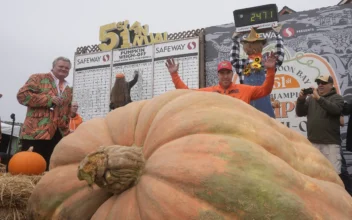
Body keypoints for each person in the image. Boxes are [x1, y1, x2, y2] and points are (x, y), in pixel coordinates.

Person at [17, 56, 73, 170]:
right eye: (61, 66)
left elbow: (66, 112)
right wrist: (48, 100)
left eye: (67, 68)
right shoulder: (37, 78)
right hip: (36, 132)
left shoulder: (68, 89)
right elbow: (22, 96)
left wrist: (67, 131)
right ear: (53, 67)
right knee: (28, 167)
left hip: (58, 134)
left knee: (50, 168)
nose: (64, 69)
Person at [166, 53, 277, 104]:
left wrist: (270, 70)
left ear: (232, 74)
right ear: (218, 75)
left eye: (227, 73)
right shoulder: (209, 92)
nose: (225, 76)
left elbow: (265, 90)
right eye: (222, 73)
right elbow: (187, 93)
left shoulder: (245, 90)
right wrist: (174, 75)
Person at [230, 26, 285, 118]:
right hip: (248, 110)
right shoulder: (243, 64)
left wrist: (278, 35)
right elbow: (233, 58)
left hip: (265, 110)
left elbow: (279, 57)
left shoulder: (266, 62)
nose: (250, 47)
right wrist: (235, 40)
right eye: (249, 44)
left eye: (254, 43)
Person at [296, 74, 344, 175]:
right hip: (313, 143)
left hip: (330, 144)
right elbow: (300, 113)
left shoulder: (337, 98)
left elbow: (335, 110)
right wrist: (301, 100)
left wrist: (319, 98)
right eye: (318, 83)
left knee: (333, 175)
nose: (320, 85)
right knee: (315, 174)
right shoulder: (311, 99)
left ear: (331, 85)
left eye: (324, 83)